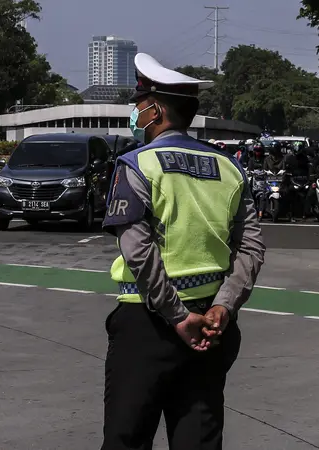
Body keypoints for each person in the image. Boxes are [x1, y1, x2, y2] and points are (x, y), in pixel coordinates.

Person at [100, 53, 266, 450]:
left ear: (155, 109)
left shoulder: (137, 164)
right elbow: (252, 247)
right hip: (213, 326)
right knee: (200, 439)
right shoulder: (230, 167)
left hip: (148, 323)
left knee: (127, 439)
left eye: (139, 106)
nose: (135, 113)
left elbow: (138, 252)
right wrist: (223, 307)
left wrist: (177, 317)